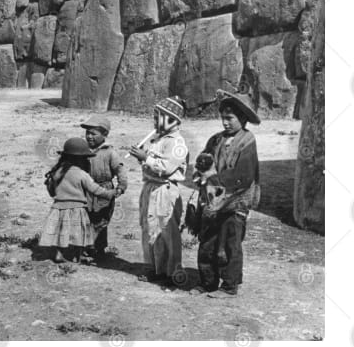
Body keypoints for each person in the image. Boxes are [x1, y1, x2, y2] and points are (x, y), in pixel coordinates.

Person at [191, 89, 261, 297]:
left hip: (235, 201)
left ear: (242, 119)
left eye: (230, 118)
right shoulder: (216, 140)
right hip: (212, 200)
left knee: (230, 243)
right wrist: (201, 172)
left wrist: (215, 180)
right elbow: (203, 161)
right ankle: (208, 281)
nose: (225, 123)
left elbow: (244, 176)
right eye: (223, 118)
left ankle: (229, 285)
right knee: (208, 241)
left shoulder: (247, 141)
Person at [129, 96, 189, 286]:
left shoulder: (177, 143)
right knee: (149, 229)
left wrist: (145, 157)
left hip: (166, 190)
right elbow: (151, 165)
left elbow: (167, 168)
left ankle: (172, 271)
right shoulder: (157, 138)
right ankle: (154, 268)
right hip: (150, 188)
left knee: (167, 231)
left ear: (172, 119)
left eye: (158, 117)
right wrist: (142, 157)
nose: (154, 122)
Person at [40, 137, 117, 264]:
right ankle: (77, 256)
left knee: (61, 231)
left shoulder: (56, 172)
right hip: (77, 208)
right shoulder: (82, 174)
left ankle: (59, 254)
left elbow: (51, 191)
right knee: (78, 233)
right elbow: (96, 190)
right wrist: (111, 193)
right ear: (80, 159)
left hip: (58, 208)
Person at [80, 115, 128, 259]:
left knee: (101, 221)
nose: (89, 137)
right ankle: (85, 247)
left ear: (105, 135)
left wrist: (121, 187)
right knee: (85, 218)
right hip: (86, 190)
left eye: (93, 133)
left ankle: (99, 249)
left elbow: (120, 170)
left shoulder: (110, 153)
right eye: (87, 133)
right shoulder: (82, 151)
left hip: (104, 190)